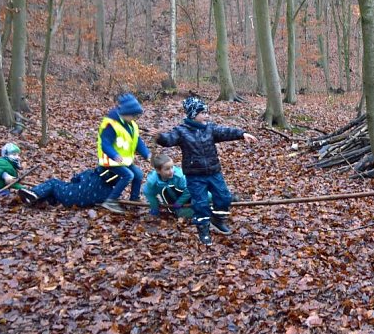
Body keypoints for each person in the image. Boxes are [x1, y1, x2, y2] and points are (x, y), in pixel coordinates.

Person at [156, 96, 257, 245]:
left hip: (213, 172)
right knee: (201, 204)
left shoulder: (210, 128)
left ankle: (217, 219)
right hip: (195, 176)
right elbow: (169, 139)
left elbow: (225, 132)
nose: (206, 115)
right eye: (202, 113)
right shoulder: (181, 131)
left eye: (206, 112)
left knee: (224, 197)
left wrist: (241, 134)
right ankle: (203, 230)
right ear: (193, 115)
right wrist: (159, 137)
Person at [97, 93, 151, 214]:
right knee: (128, 175)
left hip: (124, 160)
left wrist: (147, 154)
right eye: (133, 115)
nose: (135, 118)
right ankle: (111, 200)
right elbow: (105, 144)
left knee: (138, 174)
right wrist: (115, 155)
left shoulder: (131, 125)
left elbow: (137, 142)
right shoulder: (110, 125)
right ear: (126, 113)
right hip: (110, 160)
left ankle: (134, 198)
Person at [18, 167, 118, 207]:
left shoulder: (90, 173)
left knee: (54, 183)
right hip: (83, 204)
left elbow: (74, 179)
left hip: (70, 196)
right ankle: (45, 201)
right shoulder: (110, 191)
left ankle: (35, 193)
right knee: (58, 192)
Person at [143, 153, 194, 219]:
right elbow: (148, 193)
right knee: (183, 214)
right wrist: (154, 208)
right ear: (158, 170)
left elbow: (189, 189)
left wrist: (179, 202)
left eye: (172, 167)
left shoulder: (179, 177)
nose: (171, 171)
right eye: (167, 169)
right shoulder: (153, 182)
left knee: (204, 200)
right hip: (173, 204)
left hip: (189, 198)